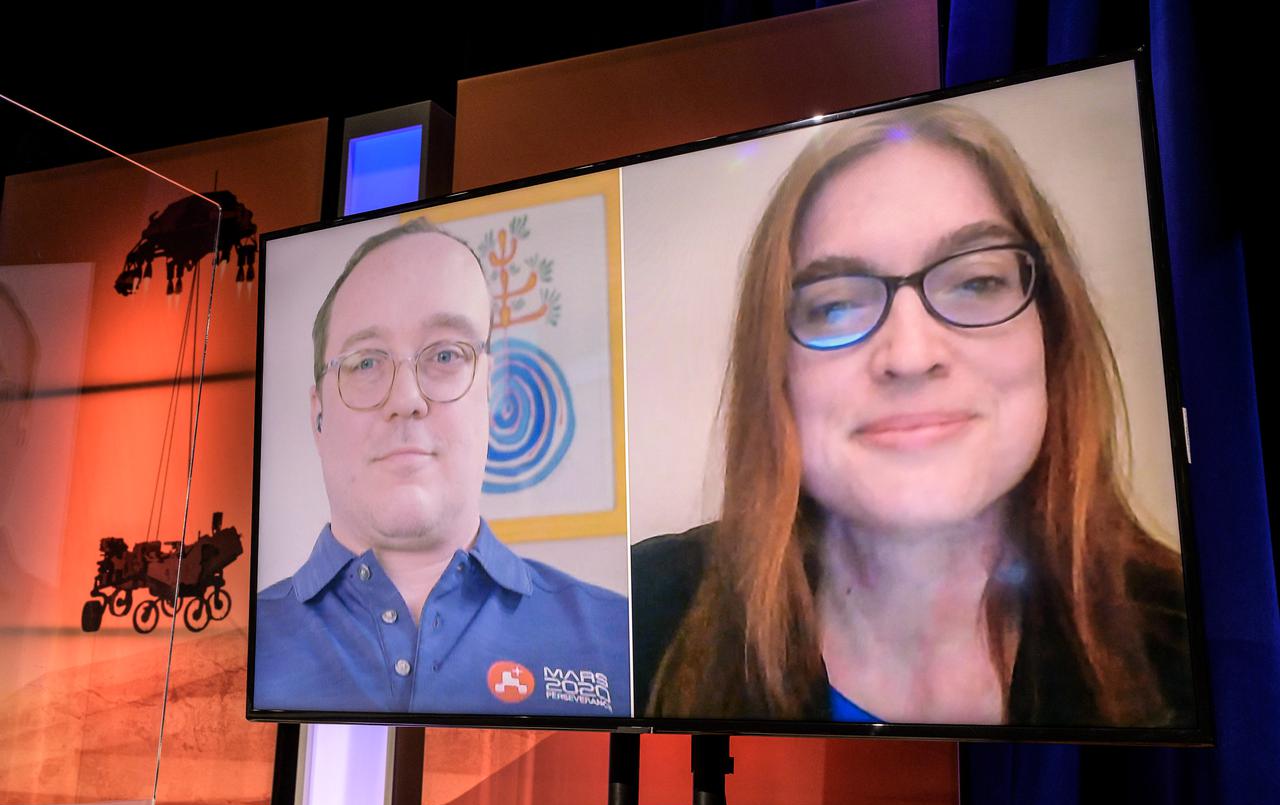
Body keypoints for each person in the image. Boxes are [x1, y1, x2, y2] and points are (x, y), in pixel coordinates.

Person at [633, 104, 1194, 727]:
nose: (910, 354)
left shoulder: (1198, 647)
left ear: (1053, 334)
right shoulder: (636, 619)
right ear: (777, 372)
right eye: (837, 305)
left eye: (977, 283)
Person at [255, 219, 630, 718]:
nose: (407, 399)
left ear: (490, 393)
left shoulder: (622, 640)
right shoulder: (236, 650)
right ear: (317, 413)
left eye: (447, 354)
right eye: (366, 363)